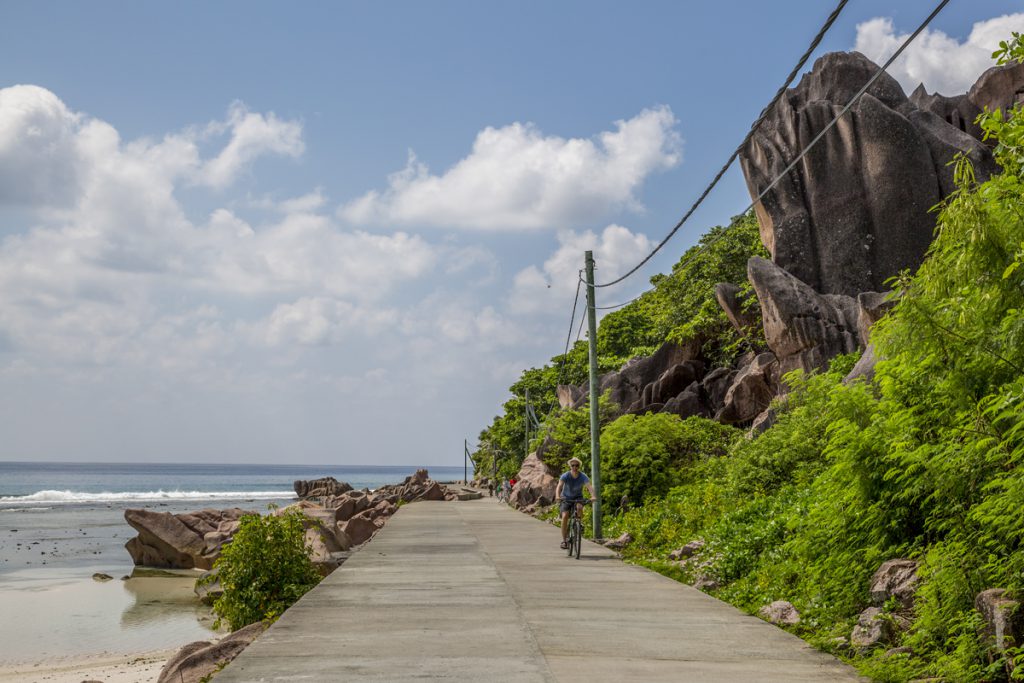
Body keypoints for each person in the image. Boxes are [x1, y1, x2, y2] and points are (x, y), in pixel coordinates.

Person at [554, 457, 595, 550]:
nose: (575, 467)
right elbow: (559, 486)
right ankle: (564, 541)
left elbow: (589, 486)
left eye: (577, 465)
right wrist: (557, 496)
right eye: (573, 465)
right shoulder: (565, 475)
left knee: (580, 507)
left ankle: (579, 523)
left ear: (579, 466)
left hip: (577, 497)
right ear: (570, 466)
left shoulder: (583, 476)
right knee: (565, 516)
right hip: (566, 498)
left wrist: (593, 496)